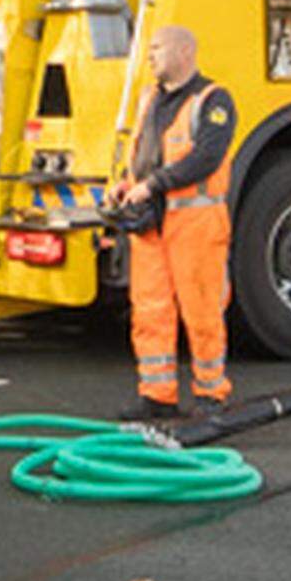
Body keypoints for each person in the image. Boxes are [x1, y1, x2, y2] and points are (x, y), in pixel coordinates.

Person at [105, 24, 236, 424]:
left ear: (184, 52)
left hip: (194, 223)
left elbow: (206, 158)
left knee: (202, 309)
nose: (150, 55)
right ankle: (157, 395)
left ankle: (212, 392)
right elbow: (146, 155)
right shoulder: (149, 99)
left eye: (157, 47)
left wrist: (153, 185)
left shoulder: (212, 100)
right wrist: (127, 186)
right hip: (151, 224)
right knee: (150, 311)